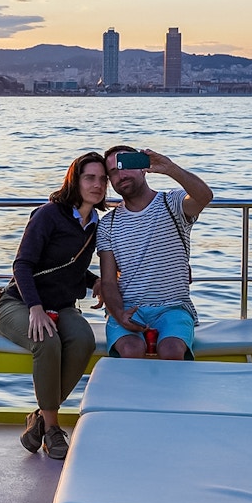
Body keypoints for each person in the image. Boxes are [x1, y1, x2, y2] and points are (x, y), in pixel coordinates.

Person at [0, 152, 108, 460]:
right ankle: (53, 429)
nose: (97, 185)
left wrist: (94, 281)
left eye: (102, 179)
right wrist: (35, 307)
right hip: (19, 302)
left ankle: (39, 418)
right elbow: (23, 265)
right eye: (89, 178)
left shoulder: (96, 224)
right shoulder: (49, 214)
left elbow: (67, 267)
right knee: (47, 340)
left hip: (62, 305)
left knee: (84, 340)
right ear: (75, 180)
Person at [96, 146, 213, 361]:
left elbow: (205, 196)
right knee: (131, 350)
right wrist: (120, 315)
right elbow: (109, 282)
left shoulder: (173, 204)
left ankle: (170, 396)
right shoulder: (108, 225)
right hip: (129, 308)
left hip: (173, 307)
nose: (120, 175)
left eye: (126, 166)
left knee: (172, 351)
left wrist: (169, 168)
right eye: (112, 172)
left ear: (142, 168)